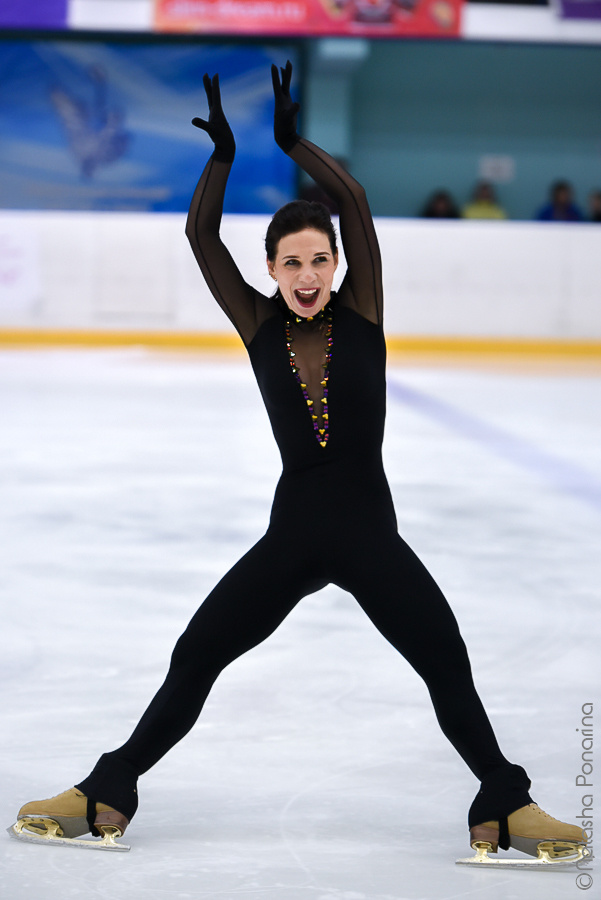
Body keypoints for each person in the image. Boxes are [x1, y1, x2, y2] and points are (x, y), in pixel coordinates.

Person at [11, 62, 588, 865]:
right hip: (293, 536)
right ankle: (108, 787)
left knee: (444, 659)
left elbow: (349, 199)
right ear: (273, 271)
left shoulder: (363, 309)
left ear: (336, 265)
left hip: (366, 533)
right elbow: (199, 237)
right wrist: (222, 160)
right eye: (292, 264)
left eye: (319, 261)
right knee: (196, 656)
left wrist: (293, 142)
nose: (309, 276)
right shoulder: (255, 324)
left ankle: (504, 799)